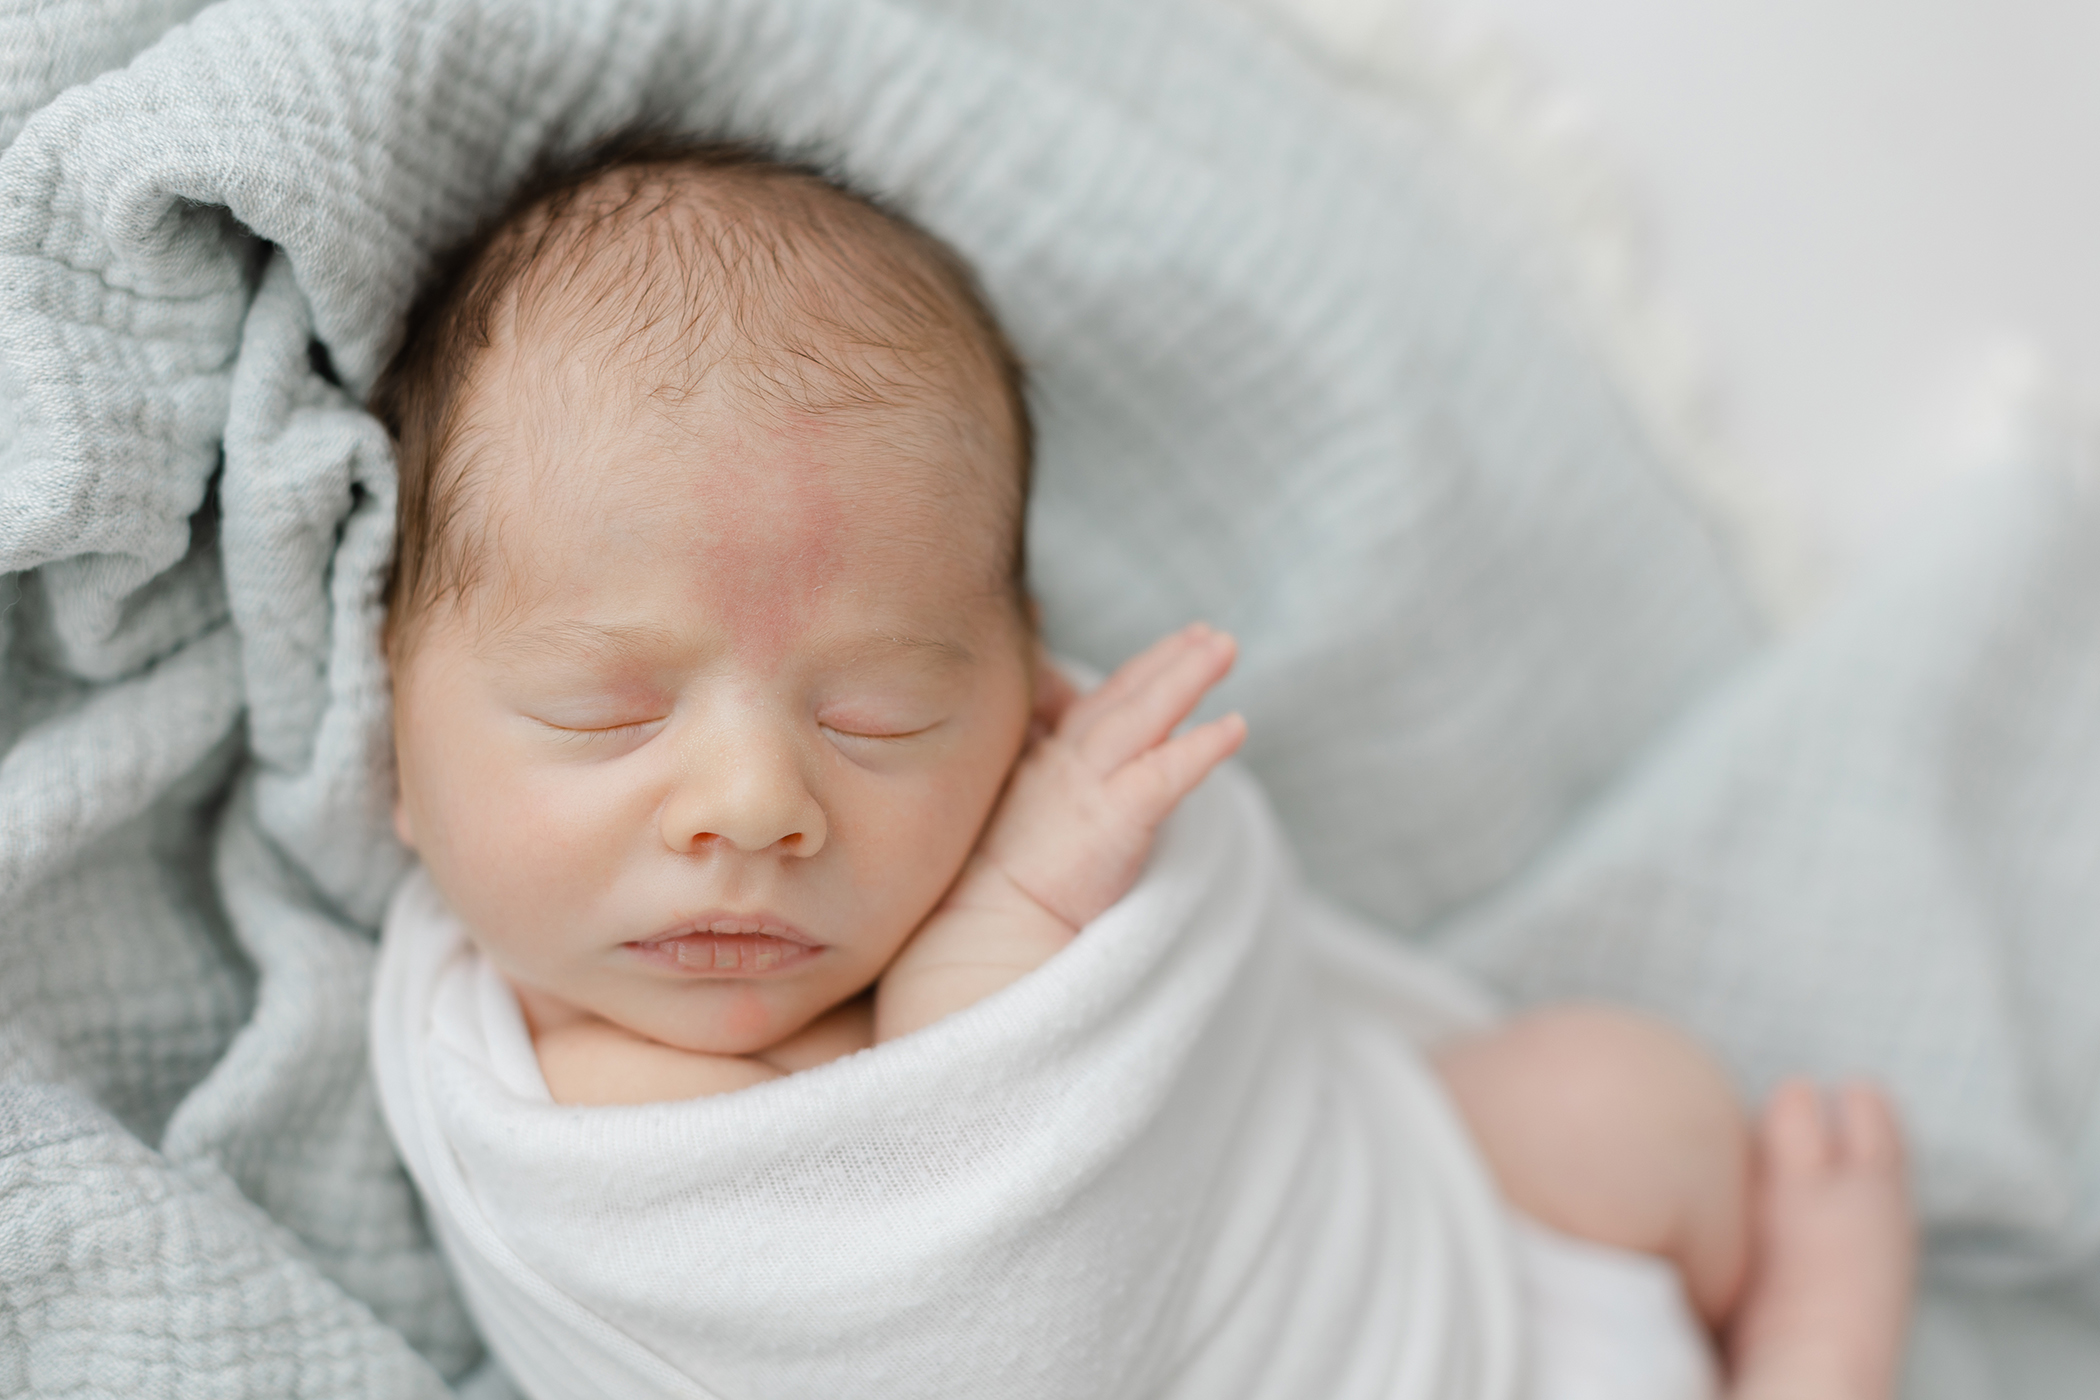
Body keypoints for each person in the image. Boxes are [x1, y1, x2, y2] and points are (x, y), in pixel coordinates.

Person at [371, 132, 1913, 1400]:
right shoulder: (567, 1121)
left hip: (1414, 1265)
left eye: (883, 716)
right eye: (602, 711)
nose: (759, 807)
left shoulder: (1011, 813)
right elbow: (971, 1327)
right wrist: (1003, 940)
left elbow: (1215, 1087)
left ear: (1020, 691)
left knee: (1617, 1096)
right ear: (398, 748)